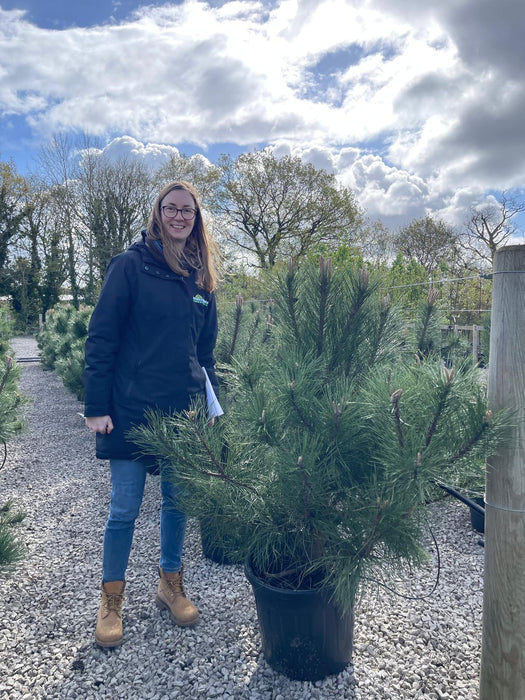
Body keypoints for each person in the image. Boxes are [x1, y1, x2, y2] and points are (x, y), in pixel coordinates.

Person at [84, 181, 220, 648]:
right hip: (130, 409)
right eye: (172, 208)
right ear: (157, 213)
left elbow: (205, 352)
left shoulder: (200, 279)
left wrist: (210, 404)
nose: (180, 216)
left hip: (182, 412)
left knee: (177, 503)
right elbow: (102, 337)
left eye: (188, 210)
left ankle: (170, 584)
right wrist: (96, 406)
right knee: (123, 510)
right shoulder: (129, 266)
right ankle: (111, 599)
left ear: (196, 218)